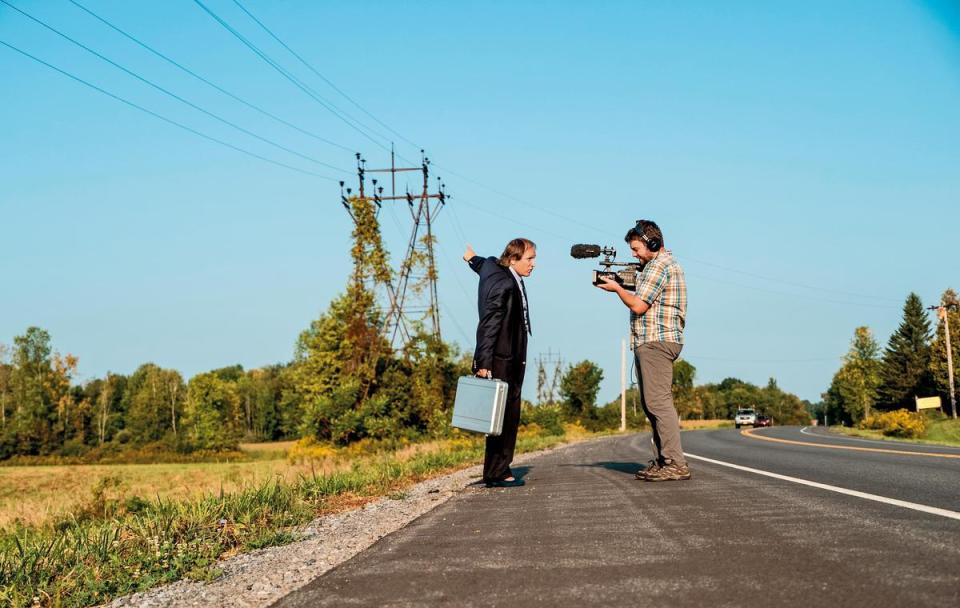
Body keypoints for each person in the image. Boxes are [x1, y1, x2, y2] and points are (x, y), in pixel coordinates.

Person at [596, 220, 690, 482]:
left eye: (637, 249)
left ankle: (675, 463)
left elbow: (639, 305)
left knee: (658, 403)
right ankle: (664, 461)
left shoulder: (659, 265)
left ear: (652, 243)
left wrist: (616, 288)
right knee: (652, 405)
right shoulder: (655, 265)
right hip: (651, 341)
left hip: (657, 341)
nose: (634, 254)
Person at [463, 238, 536, 488]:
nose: (533, 264)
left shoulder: (494, 267)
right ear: (513, 259)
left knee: (502, 416)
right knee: (505, 416)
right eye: (530, 259)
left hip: (509, 356)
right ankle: (498, 472)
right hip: (504, 358)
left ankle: (496, 469)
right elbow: (490, 322)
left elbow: (482, 264)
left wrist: (471, 258)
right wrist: (483, 360)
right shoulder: (505, 284)